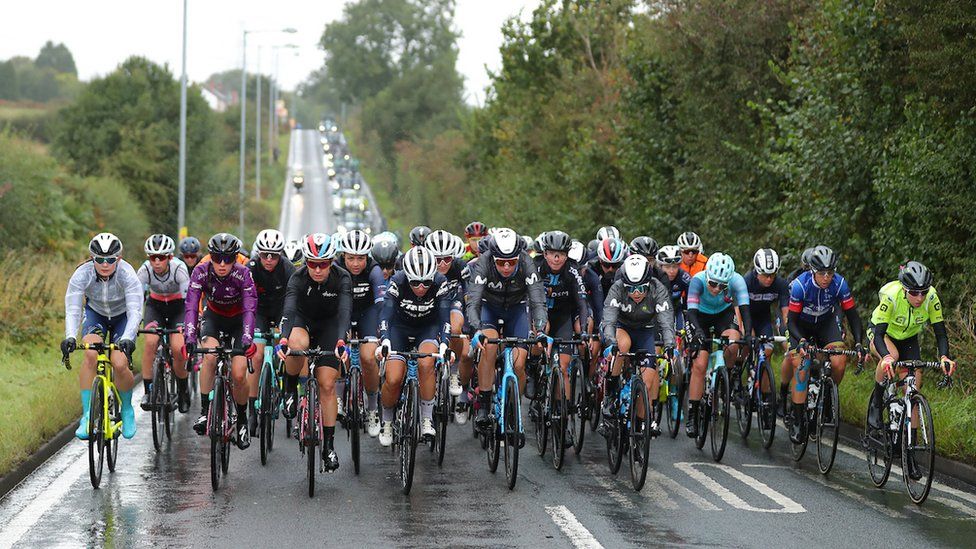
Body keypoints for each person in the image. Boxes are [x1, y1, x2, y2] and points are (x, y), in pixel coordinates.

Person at [277, 233, 351, 471]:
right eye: (312, 264)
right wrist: (284, 339)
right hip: (303, 321)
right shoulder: (297, 278)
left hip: (330, 325)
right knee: (296, 346)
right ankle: (289, 388)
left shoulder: (343, 278)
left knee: (327, 385)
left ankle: (328, 446)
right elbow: (288, 309)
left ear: (331, 262)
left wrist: (341, 341)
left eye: (323, 265)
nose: (317, 270)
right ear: (305, 262)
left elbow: (345, 312)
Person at [867, 262, 955, 455]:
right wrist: (887, 358)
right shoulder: (891, 296)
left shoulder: (931, 297)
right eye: (914, 293)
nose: (920, 298)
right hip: (882, 334)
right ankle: (877, 399)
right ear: (905, 289)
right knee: (892, 357)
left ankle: (911, 453)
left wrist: (944, 357)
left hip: (908, 338)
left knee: (913, 389)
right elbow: (879, 334)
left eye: (923, 292)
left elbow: (940, 333)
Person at [465, 228, 548, 432]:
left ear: (519, 257)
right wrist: (476, 330)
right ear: (493, 258)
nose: (507, 266)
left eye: (511, 261)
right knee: (489, 347)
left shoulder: (527, 263)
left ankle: (514, 406)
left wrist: (540, 330)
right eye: (501, 262)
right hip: (489, 309)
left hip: (517, 309)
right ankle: (484, 405)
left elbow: (538, 301)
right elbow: (473, 301)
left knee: (519, 363)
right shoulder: (483, 262)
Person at [62, 233, 143, 440]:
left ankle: (126, 409)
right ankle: (88, 415)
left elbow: (135, 311)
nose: (105, 264)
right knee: (90, 355)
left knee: (119, 362)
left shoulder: (127, 274)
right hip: (95, 314)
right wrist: (70, 336)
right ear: (92, 258)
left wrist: (128, 337)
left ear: (119, 258)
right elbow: (73, 309)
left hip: (122, 317)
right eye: (99, 259)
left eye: (111, 259)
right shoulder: (82, 274)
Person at [183, 233, 258, 450]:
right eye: (217, 258)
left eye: (228, 259)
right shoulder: (201, 271)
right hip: (214, 317)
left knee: (238, 373)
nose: (222, 264)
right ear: (210, 256)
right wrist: (189, 336)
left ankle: (242, 419)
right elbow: (191, 305)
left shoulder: (243, 273)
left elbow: (250, 308)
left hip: (238, 320)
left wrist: (246, 337)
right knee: (209, 355)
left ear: (236, 257)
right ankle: (205, 412)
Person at [785, 245, 866, 444]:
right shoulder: (799, 286)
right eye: (821, 273)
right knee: (802, 366)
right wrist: (802, 341)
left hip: (825, 324)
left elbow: (853, 316)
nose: (826, 278)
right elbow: (791, 322)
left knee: (839, 360)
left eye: (830, 273)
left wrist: (858, 343)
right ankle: (797, 418)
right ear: (812, 271)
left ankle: (828, 396)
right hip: (801, 326)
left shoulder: (839, 285)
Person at [375, 247, 453, 446]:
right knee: (393, 379)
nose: (420, 287)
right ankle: (387, 420)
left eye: (426, 282)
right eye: (415, 283)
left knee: (427, 364)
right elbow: (386, 314)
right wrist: (384, 339)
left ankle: (427, 418)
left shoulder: (440, 282)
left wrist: (444, 344)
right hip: (399, 329)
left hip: (427, 328)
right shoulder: (397, 280)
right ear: (407, 277)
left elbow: (445, 317)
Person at [600, 254, 675, 437]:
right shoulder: (617, 288)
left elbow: (666, 322)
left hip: (645, 331)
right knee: (622, 345)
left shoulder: (658, 289)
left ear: (649, 282)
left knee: (647, 383)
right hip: (621, 327)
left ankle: (641, 424)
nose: (636, 293)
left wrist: (669, 346)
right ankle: (610, 395)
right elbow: (608, 320)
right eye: (631, 288)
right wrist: (611, 343)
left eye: (641, 288)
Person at [684, 252, 752, 438]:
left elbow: (745, 310)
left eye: (721, 286)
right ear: (707, 276)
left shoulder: (737, 281)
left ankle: (725, 378)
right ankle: (692, 413)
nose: (716, 289)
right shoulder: (697, 280)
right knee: (699, 364)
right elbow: (691, 312)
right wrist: (697, 332)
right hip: (700, 317)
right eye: (712, 283)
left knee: (733, 344)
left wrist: (747, 336)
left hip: (723, 314)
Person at [534, 231, 590, 440]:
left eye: (561, 254)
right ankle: (534, 369)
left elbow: (582, 303)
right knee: (540, 334)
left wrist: (583, 330)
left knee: (564, 368)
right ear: (545, 253)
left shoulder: (573, 271)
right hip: (541, 313)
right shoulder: (536, 267)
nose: (556, 258)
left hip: (564, 317)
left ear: (567, 255)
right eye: (552, 254)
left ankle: (563, 418)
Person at [245, 229, 294, 436]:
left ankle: (288, 388)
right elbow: (243, 297)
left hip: (282, 309)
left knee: (290, 347)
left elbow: (294, 299)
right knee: (256, 355)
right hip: (260, 312)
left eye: (274, 255)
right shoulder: (251, 267)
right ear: (259, 253)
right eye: (265, 254)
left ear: (280, 254)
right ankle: (251, 407)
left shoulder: (288, 268)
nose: (269, 259)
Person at [337, 229, 385, 437]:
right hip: (342, 313)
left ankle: (373, 408)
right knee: (339, 352)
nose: (355, 263)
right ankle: (339, 397)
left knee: (368, 357)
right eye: (351, 258)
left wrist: (384, 330)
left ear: (368, 257)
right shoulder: (335, 268)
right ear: (343, 256)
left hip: (367, 313)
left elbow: (382, 304)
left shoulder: (374, 271)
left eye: (360, 259)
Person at [137, 234, 191, 414]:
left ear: (170, 257)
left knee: (177, 348)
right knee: (151, 342)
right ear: (149, 258)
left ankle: (183, 390)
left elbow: (189, 301)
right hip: (156, 307)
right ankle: (148, 391)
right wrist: (136, 321)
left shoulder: (180, 269)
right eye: (153, 257)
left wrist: (189, 325)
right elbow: (136, 299)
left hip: (178, 308)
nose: (157, 262)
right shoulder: (144, 270)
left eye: (162, 257)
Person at [425, 230, 473, 424]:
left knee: (455, 329)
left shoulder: (461, 267)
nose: (442, 264)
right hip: (429, 305)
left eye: (447, 259)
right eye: (437, 260)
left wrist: (471, 325)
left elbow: (470, 297)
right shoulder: (422, 266)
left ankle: (454, 372)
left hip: (454, 302)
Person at [744, 248, 789, 424]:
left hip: (763, 319)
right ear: (756, 271)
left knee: (766, 353)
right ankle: (739, 377)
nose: (769, 279)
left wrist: (788, 332)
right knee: (747, 344)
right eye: (765, 275)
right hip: (745, 315)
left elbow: (786, 314)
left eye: (772, 274)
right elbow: (741, 311)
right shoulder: (747, 281)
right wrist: (748, 333)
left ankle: (765, 398)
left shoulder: (781, 284)